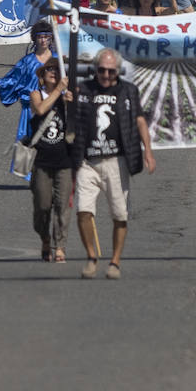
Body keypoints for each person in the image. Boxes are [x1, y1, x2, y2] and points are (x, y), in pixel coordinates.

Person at [73, 48, 156, 280]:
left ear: (118, 71)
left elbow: (139, 120)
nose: (106, 75)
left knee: (120, 215)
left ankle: (115, 261)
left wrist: (148, 151)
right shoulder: (84, 90)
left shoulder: (128, 91)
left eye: (110, 71)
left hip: (116, 161)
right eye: (102, 70)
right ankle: (91, 257)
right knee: (83, 211)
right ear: (95, 70)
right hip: (88, 161)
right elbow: (73, 118)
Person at [0, 21, 56, 148]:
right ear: (35, 38)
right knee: (26, 147)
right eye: (40, 37)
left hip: (53, 108)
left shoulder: (57, 60)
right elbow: (13, 78)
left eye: (46, 36)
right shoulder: (27, 61)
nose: (43, 40)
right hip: (30, 110)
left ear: (51, 38)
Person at [28, 59, 74, 263]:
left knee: (63, 207)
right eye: (49, 69)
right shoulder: (37, 94)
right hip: (42, 161)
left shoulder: (67, 97)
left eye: (57, 69)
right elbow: (40, 110)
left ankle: (60, 246)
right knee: (42, 206)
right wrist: (58, 92)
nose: (53, 72)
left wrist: (71, 101)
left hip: (64, 161)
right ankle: (45, 238)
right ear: (42, 75)